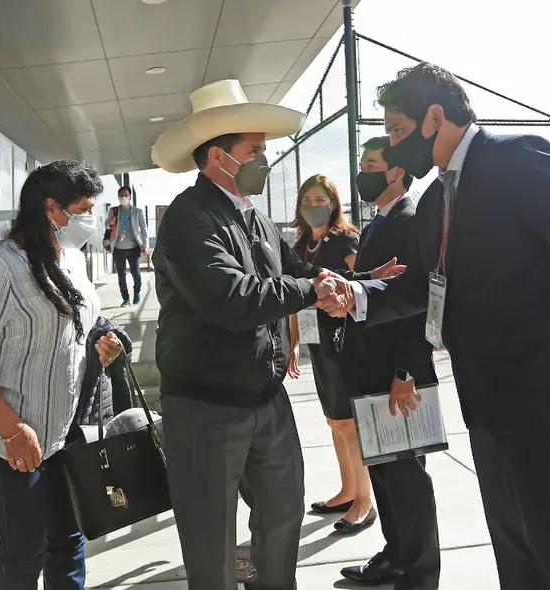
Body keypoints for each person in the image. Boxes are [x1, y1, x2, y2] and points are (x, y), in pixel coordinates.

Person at [337, 63, 550, 590]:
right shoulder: (435, 201)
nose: (392, 144)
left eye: (397, 131)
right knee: (516, 553)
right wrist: (357, 294)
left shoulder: (517, 159)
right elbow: (420, 287)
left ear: (435, 117)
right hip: (489, 401)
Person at [149, 79, 352, 590]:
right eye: (255, 150)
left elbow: (294, 273)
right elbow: (232, 299)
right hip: (205, 406)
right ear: (219, 156)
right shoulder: (188, 219)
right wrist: (312, 288)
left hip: (265, 396)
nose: (265, 157)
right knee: (210, 539)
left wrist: (345, 283)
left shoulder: (255, 218)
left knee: (282, 516)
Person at [0, 159, 125, 590]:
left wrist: (107, 343)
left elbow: (79, 327)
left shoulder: (72, 260)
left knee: (67, 542)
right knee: (22, 555)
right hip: (15, 442)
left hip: (67, 433)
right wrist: (12, 430)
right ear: (52, 208)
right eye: (83, 208)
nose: (90, 218)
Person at [337, 136, 441, 590]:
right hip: (371, 372)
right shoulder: (383, 219)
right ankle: (396, 555)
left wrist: (407, 373)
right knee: (384, 473)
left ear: (396, 171)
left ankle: (419, 575)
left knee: (406, 481)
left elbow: (417, 300)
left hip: (398, 376)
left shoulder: (411, 218)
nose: (364, 172)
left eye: (371, 164)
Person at [286, 174, 378, 533]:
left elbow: (365, 285)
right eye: (306, 199)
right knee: (334, 420)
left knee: (348, 422)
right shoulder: (300, 246)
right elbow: (296, 296)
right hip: (317, 341)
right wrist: (293, 340)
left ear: (333, 201)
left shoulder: (346, 239)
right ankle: (348, 489)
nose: (313, 205)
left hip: (346, 341)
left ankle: (364, 500)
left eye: (319, 198)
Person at [106, 186, 148, 307]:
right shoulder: (113, 211)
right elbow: (107, 226)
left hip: (133, 247)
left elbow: (144, 229)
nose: (123, 197)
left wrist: (145, 245)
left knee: (136, 273)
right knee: (121, 275)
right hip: (118, 248)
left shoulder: (137, 211)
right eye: (121, 195)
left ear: (130, 196)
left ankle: (137, 293)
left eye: (125, 195)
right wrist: (111, 222)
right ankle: (126, 299)